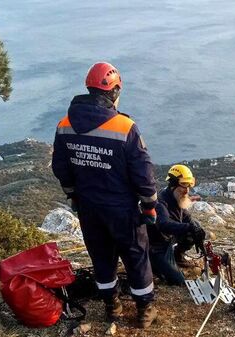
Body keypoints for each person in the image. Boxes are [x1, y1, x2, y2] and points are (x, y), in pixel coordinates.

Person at [52, 62, 158, 328]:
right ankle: (145, 310)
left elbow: (61, 167)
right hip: (121, 207)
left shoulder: (64, 125)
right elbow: (143, 172)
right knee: (135, 254)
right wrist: (150, 205)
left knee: (100, 256)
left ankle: (113, 307)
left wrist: (74, 195)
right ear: (113, 91)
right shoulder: (124, 127)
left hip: (88, 206)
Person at [147, 165, 206, 285]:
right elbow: (164, 224)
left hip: (168, 240)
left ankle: (177, 255)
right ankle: (153, 265)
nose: (187, 190)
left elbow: (187, 219)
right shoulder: (161, 202)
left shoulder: (178, 197)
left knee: (195, 225)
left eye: (189, 185)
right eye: (184, 185)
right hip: (156, 247)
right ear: (173, 184)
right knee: (178, 281)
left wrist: (198, 232)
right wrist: (189, 227)